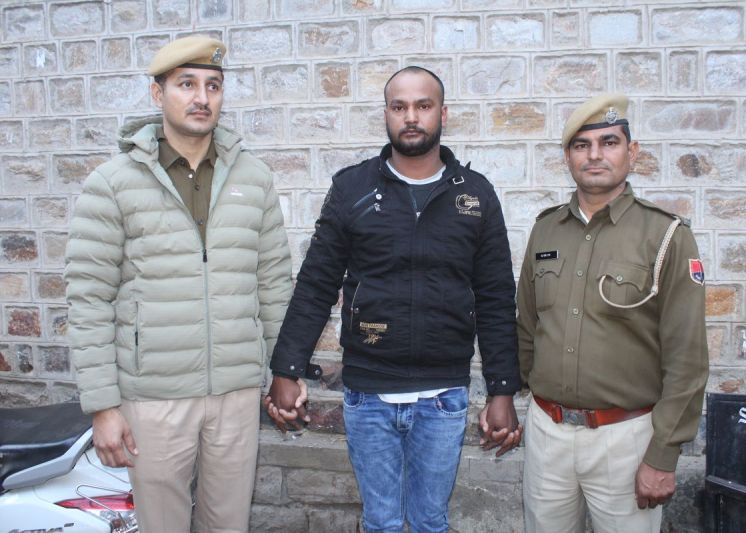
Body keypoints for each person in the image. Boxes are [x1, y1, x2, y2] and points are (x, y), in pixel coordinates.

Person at [264, 66, 522, 533]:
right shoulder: (352, 188)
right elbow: (316, 283)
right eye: (399, 106)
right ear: (386, 114)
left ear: (443, 114)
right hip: (368, 393)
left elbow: (496, 297)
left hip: (443, 396)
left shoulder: (475, 195)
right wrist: (286, 369)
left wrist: (502, 389)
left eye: (423, 106)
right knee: (380, 523)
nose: (411, 117)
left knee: (430, 523)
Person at [64, 36, 293, 532]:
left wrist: (285, 370)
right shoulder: (113, 183)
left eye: (213, 86)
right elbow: (89, 299)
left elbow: (274, 283)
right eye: (186, 84)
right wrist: (103, 407)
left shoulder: (254, 178)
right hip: (153, 397)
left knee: (228, 524)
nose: (201, 98)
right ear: (158, 93)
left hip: (235, 393)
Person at [517, 93, 709, 533]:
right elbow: (527, 326)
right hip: (547, 433)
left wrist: (663, 455)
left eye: (609, 142)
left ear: (632, 151)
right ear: (568, 156)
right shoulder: (546, 229)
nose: (595, 155)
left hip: (625, 440)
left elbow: (687, 357)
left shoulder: (666, 235)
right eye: (581, 145)